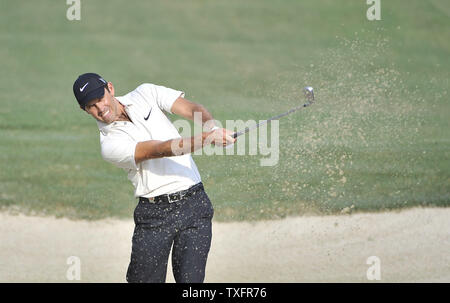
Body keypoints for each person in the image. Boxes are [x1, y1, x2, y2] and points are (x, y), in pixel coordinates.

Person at [72, 73, 236, 283]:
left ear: (110, 88)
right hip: (155, 215)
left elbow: (191, 109)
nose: (100, 108)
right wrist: (206, 139)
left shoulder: (145, 93)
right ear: (83, 109)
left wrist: (211, 128)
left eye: (100, 98)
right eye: (91, 106)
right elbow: (160, 149)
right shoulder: (109, 145)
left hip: (195, 204)